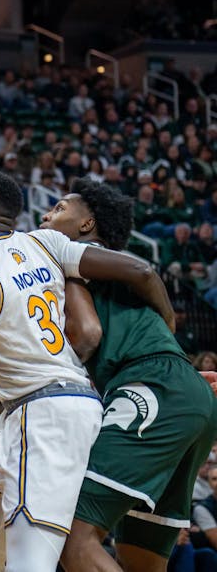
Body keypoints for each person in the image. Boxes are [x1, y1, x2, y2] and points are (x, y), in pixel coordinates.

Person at [0, 166, 178, 572]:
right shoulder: (44, 242)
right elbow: (141, 271)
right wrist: (169, 332)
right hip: (59, 406)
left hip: (43, 416)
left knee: (31, 562)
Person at [38, 179, 217, 572]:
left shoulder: (77, 257)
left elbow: (89, 334)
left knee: (70, 537)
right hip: (175, 392)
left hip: (150, 388)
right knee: (138, 561)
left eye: (59, 209)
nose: (46, 215)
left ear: (86, 225)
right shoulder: (100, 272)